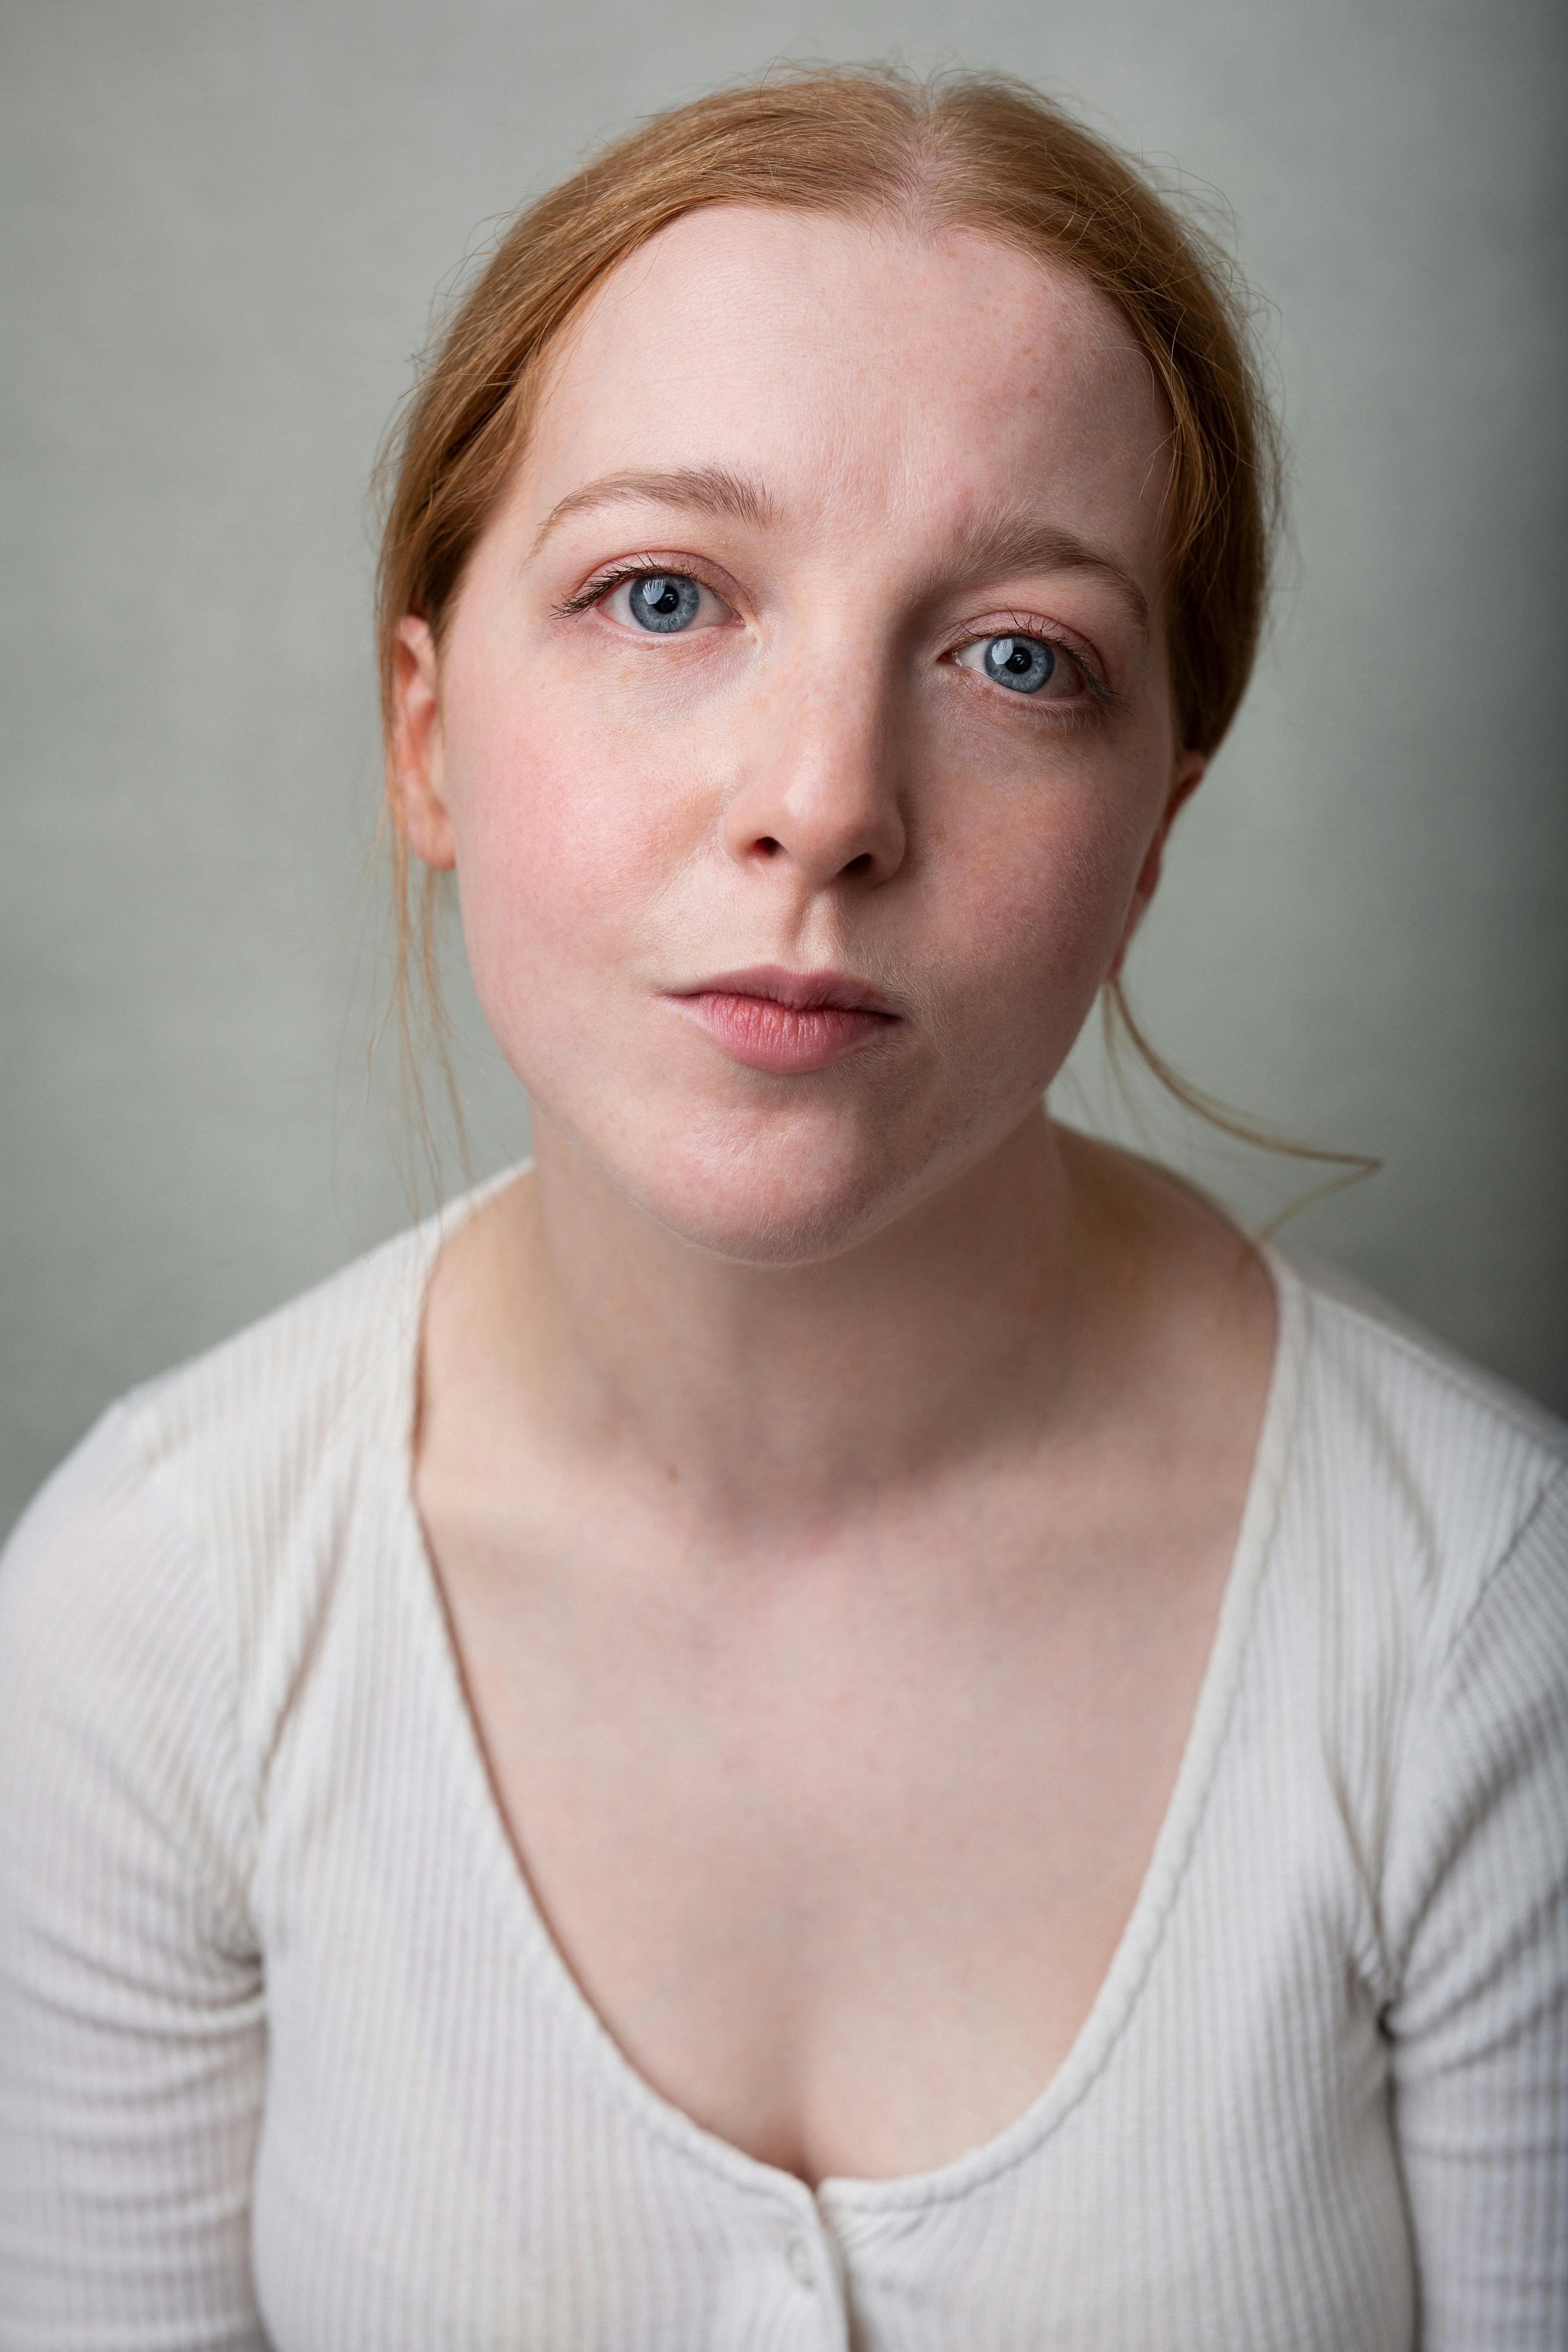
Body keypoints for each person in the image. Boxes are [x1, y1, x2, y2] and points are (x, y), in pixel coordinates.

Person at [0, 66, 1563, 2352]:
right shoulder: (153, 1626)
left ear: (1153, 832)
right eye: (663, 596)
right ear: (424, 735)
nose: (826, 805)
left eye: (1018, 658)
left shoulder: (1488, 1631)